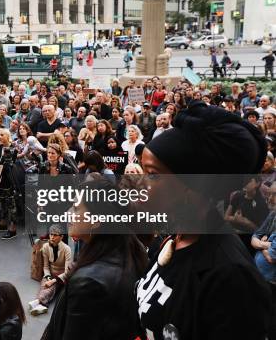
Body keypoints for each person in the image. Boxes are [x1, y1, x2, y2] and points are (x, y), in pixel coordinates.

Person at [137, 101, 272, 339]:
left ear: (193, 188)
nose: (140, 186)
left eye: (153, 175)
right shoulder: (171, 240)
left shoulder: (230, 278)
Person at [42, 178, 148, 340]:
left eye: (76, 209)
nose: (68, 213)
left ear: (96, 220)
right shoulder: (130, 249)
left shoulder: (88, 281)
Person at [28, 224, 72, 316]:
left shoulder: (67, 249)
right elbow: (46, 266)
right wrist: (48, 277)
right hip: (50, 273)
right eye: (51, 234)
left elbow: (67, 271)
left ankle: (38, 301)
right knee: (44, 285)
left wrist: (53, 280)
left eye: (55, 235)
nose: (52, 237)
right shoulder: (45, 247)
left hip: (61, 275)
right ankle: (41, 305)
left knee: (52, 287)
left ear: (61, 237)